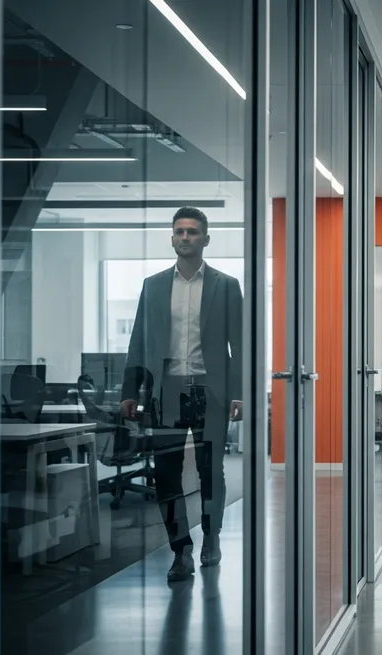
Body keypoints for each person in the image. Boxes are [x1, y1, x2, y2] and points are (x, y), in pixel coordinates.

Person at [120, 206, 243, 583]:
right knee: (167, 474)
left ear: (205, 239)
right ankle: (181, 550)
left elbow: (240, 345)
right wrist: (130, 390)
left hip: (210, 392)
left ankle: (211, 538)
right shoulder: (153, 286)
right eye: (179, 231)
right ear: (172, 238)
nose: (185, 237)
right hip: (166, 393)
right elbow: (139, 341)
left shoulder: (226, 285)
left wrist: (239, 393)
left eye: (192, 232)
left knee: (211, 474)